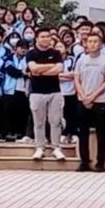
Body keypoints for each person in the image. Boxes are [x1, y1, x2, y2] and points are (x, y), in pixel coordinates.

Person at [73, 30, 105, 172]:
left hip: (100, 101)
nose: (92, 44)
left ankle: (100, 162)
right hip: (82, 99)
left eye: (95, 41)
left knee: (101, 133)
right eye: (90, 41)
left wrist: (93, 96)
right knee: (82, 132)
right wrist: (83, 95)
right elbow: (76, 79)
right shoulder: (81, 60)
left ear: (101, 44)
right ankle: (84, 161)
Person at [25, 28, 67, 161]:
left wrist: (40, 71)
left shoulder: (56, 53)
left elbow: (58, 69)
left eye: (48, 36)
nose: (45, 39)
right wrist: (50, 66)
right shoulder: (31, 53)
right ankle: (40, 147)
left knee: (55, 121)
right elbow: (33, 68)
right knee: (39, 122)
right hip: (37, 92)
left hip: (54, 91)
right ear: (37, 38)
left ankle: (56, 147)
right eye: (42, 36)